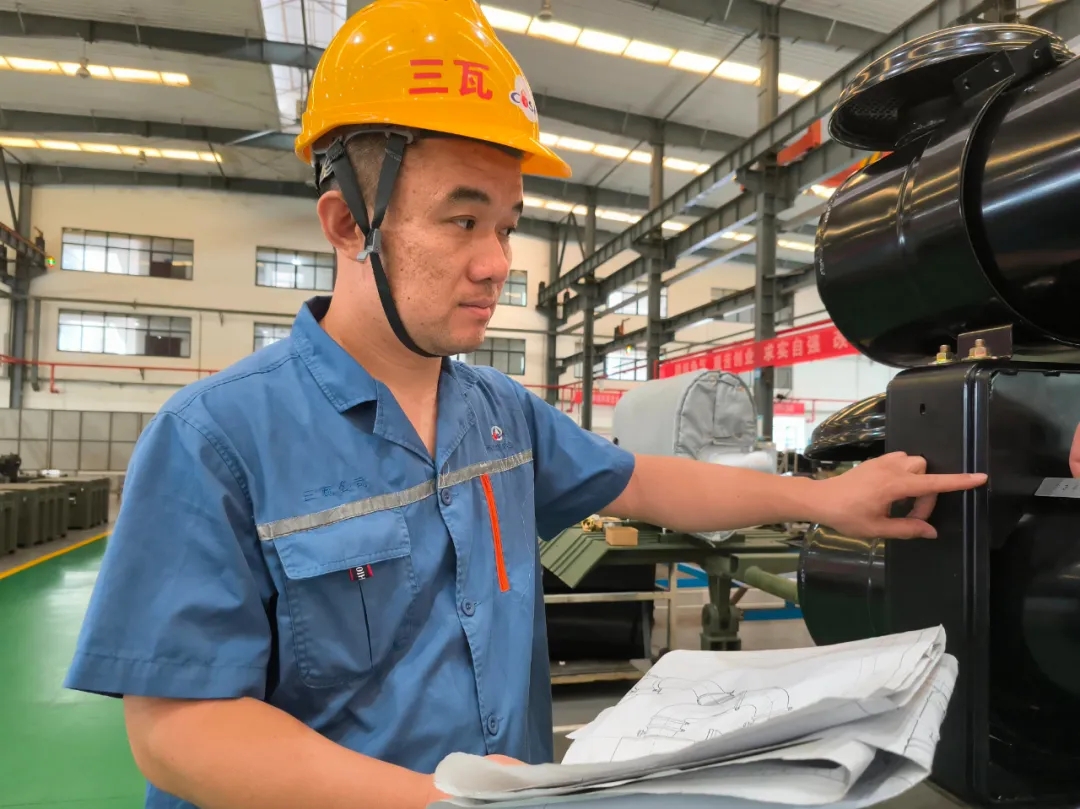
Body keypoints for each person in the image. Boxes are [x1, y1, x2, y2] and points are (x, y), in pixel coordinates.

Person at [62, 2, 988, 808]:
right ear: (348, 224)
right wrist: (442, 801)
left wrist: (824, 498)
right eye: (462, 221)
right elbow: (180, 732)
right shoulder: (216, 439)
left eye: (506, 225)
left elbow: (645, 482)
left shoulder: (498, 413)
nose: (498, 262)